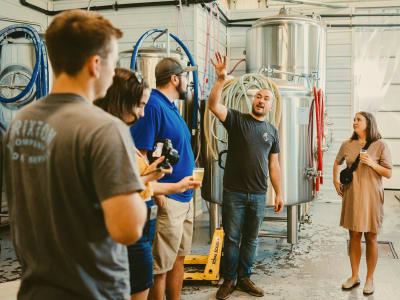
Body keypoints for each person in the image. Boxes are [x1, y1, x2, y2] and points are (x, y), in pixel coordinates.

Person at [2, 10, 147, 300]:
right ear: (95, 64)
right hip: (91, 291)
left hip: (35, 290)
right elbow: (127, 229)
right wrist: (141, 188)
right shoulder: (105, 128)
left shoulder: (20, 123)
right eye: (113, 61)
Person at [93, 67, 200, 300]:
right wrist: (162, 191)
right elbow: (116, 188)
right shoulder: (108, 139)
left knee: (157, 270)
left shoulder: (120, 134)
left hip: (157, 210)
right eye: (139, 105)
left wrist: (167, 182)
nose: (142, 112)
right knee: (153, 273)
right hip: (129, 228)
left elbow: (129, 181)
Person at [207, 52, 284, 299]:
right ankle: (229, 280)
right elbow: (212, 106)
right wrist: (220, 79)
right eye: (258, 96)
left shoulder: (271, 131)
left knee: (251, 240)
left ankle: (244, 278)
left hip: (259, 194)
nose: (261, 100)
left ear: (271, 105)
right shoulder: (237, 119)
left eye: (266, 98)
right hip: (235, 193)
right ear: (253, 100)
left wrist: (279, 192)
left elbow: (275, 164)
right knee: (232, 238)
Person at [130, 57, 197, 300]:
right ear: (175, 79)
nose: (189, 82)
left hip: (184, 195)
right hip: (169, 197)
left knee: (179, 257)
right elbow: (142, 153)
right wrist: (156, 191)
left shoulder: (169, 106)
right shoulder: (154, 106)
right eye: (186, 77)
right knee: (161, 265)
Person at [333, 111, 392, 295]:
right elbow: (336, 162)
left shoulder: (380, 145)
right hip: (352, 196)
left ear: (369, 123)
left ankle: (370, 279)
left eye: (359, 120)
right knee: (355, 236)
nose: (354, 122)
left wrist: (373, 164)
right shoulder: (347, 144)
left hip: (372, 197)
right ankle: (354, 276)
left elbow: (388, 173)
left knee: (371, 237)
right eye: (354, 120)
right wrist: (335, 181)